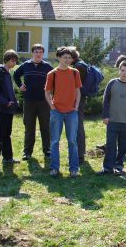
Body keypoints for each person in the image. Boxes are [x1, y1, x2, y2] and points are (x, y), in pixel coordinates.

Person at [98, 60, 126, 176]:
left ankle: (119, 166)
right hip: (112, 120)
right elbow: (105, 100)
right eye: (122, 70)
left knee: (124, 146)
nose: (124, 73)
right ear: (119, 71)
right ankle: (107, 167)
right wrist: (105, 116)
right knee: (111, 145)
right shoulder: (112, 83)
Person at [44, 47, 82, 177]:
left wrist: (76, 106)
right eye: (65, 57)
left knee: (72, 141)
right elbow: (47, 92)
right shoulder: (52, 74)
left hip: (72, 112)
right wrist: (52, 106)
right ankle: (54, 168)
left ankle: (74, 169)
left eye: (70, 58)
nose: (68, 60)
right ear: (59, 57)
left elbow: (78, 91)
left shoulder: (75, 72)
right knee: (55, 141)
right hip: (57, 112)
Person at [13, 43, 53, 160]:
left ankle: (47, 150)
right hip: (29, 101)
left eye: (40, 52)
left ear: (43, 53)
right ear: (32, 53)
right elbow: (16, 75)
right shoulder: (26, 65)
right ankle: (27, 152)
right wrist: (20, 85)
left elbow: (55, 79)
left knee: (45, 127)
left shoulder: (47, 67)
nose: (38, 54)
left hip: (44, 102)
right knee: (29, 128)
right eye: (36, 51)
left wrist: (51, 92)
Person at [0, 50, 20, 172]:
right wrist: (5, 102)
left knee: (7, 134)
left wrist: (13, 102)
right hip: (2, 109)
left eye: (15, 60)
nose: (14, 62)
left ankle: (8, 157)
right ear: (7, 59)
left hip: (9, 110)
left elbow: (9, 91)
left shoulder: (8, 72)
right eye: (12, 60)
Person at [69, 47, 88, 164]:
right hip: (79, 98)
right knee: (77, 125)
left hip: (78, 100)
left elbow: (75, 86)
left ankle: (80, 154)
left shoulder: (79, 67)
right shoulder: (80, 64)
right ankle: (79, 153)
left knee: (78, 125)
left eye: (67, 57)